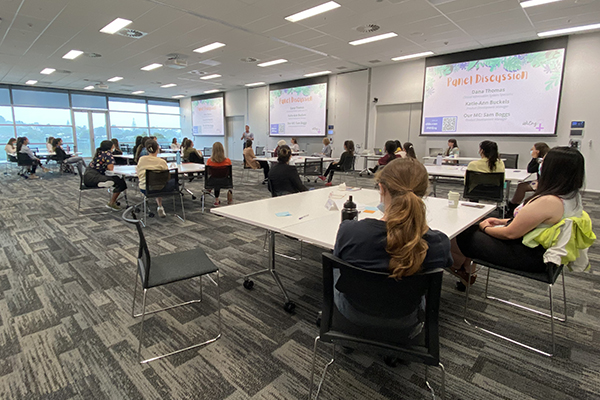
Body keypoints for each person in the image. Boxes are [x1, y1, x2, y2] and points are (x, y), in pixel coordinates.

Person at [333, 157, 452, 341]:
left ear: (381, 188)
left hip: (353, 313)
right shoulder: (439, 243)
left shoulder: (350, 231)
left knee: (335, 265)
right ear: (424, 193)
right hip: (406, 320)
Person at [450, 146, 589, 289]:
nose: (540, 165)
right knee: (471, 231)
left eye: (543, 162)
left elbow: (509, 233)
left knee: (461, 234)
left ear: (553, 169)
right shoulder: (571, 197)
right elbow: (537, 223)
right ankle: (466, 270)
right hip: (541, 252)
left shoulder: (549, 201)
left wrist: (484, 227)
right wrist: (501, 221)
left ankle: (457, 268)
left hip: (530, 256)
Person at [506, 142, 550, 216]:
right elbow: (531, 169)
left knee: (522, 187)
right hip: (540, 181)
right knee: (521, 185)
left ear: (537, 151)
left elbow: (530, 169)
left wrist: (534, 158)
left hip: (543, 183)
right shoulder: (540, 160)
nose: (531, 151)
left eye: (533, 149)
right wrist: (534, 158)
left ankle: (512, 207)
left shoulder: (543, 161)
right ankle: (512, 205)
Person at [83, 140, 127, 211]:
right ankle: (111, 203)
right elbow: (110, 168)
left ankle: (106, 184)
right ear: (112, 146)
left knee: (116, 179)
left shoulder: (99, 153)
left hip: (87, 176)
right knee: (120, 181)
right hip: (94, 177)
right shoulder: (108, 154)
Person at [136, 139, 175, 218]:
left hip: (145, 188)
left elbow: (138, 174)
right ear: (158, 148)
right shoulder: (162, 161)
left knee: (154, 182)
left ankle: (159, 205)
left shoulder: (141, 159)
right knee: (171, 180)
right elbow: (166, 177)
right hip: (161, 188)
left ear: (147, 149)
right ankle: (160, 206)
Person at [206, 142, 233, 206]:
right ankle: (229, 199)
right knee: (219, 179)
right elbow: (229, 173)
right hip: (225, 182)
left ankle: (216, 199)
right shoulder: (228, 161)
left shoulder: (209, 161)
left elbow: (209, 173)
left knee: (215, 179)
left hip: (213, 182)